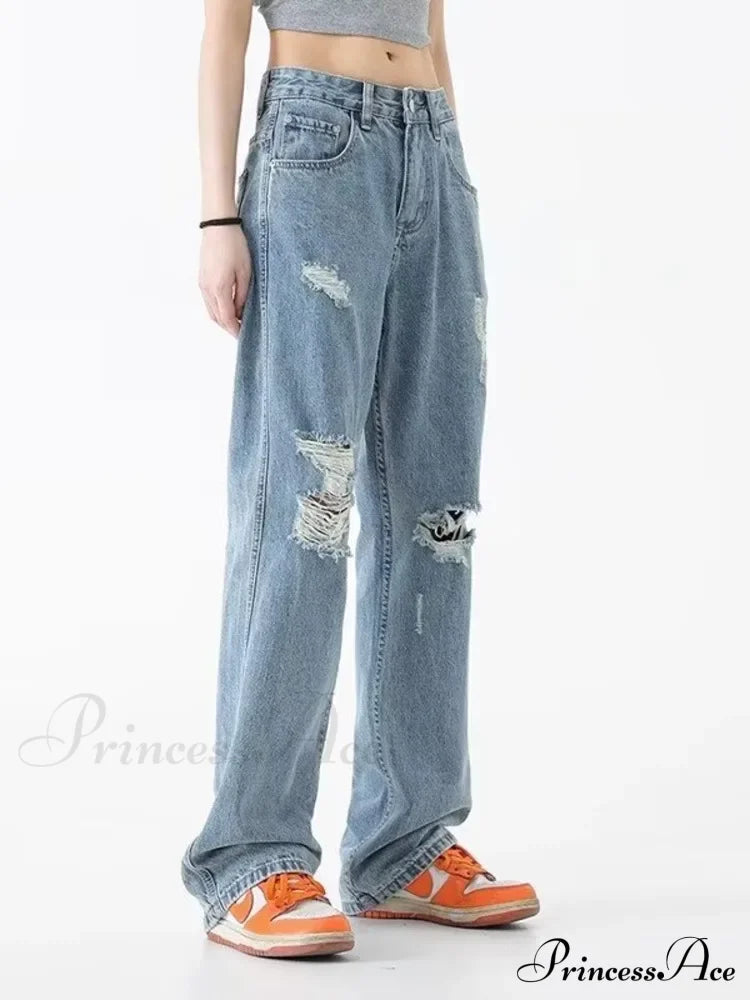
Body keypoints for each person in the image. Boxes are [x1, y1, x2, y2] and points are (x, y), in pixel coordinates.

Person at [182, 0, 539, 959]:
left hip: (432, 149)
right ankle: (250, 854)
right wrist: (218, 215)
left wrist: (450, 165)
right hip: (315, 145)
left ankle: (403, 843)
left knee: (438, 515)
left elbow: (431, 27)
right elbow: (223, 33)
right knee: (308, 503)